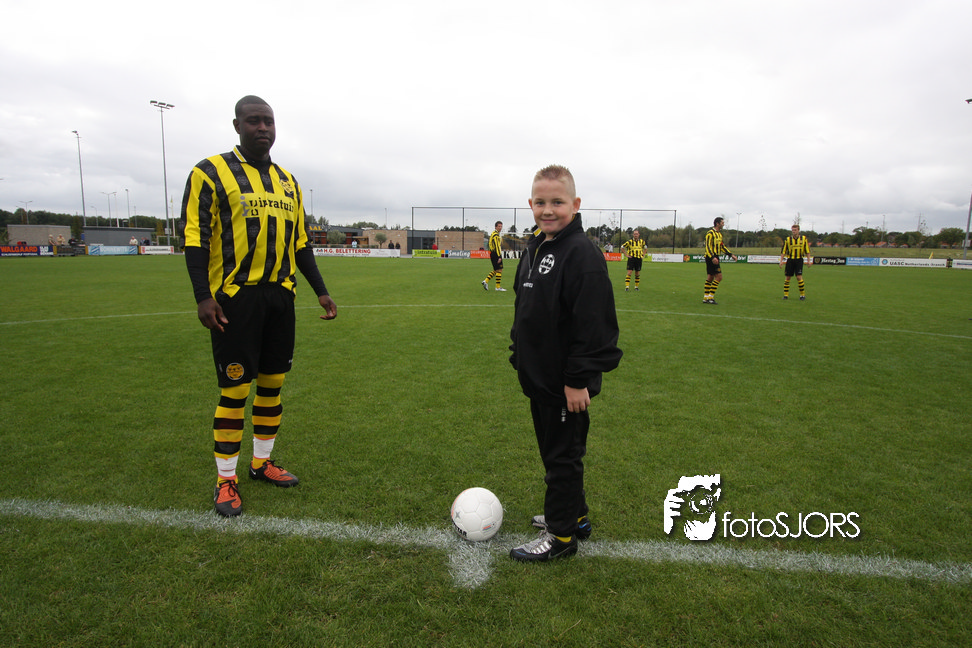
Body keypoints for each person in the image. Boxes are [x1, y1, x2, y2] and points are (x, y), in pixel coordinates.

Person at [180, 95, 337, 518]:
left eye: (268, 121)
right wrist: (202, 296)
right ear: (237, 126)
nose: (263, 127)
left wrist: (320, 291)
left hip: (280, 298)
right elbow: (195, 238)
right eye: (254, 121)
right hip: (235, 299)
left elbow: (300, 244)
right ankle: (225, 479)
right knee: (235, 390)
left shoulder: (288, 182)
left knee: (272, 386)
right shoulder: (210, 172)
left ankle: (261, 463)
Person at [508, 165, 622, 562]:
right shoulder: (535, 247)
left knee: (561, 457)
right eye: (540, 202)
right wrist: (518, 352)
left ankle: (560, 536)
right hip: (539, 377)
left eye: (557, 202)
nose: (548, 210)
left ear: (575, 204)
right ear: (530, 204)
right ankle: (576, 516)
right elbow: (526, 309)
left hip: (563, 384)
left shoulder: (581, 254)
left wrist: (577, 380)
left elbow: (595, 327)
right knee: (555, 453)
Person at [702, 217, 737, 304]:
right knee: (719, 277)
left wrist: (731, 255)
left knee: (710, 277)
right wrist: (712, 257)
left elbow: (722, 247)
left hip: (715, 256)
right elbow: (708, 247)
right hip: (711, 257)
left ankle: (706, 298)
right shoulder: (710, 233)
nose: (723, 224)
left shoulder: (719, 235)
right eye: (722, 223)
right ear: (717, 223)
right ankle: (710, 297)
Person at [779, 224, 812, 300]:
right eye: (792, 230)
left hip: (799, 260)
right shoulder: (788, 239)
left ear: (798, 230)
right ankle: (785, 295)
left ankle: (802, 295)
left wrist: (809, 261)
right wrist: (781, 261)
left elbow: (807, 250)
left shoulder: (803, 239)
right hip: (790, 260)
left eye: (795, 230)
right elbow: (783, 251)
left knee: (799, 277)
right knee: (788, 277)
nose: (793, 231)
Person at [481, 221, 506, 292]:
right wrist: (499, 256)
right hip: (495, 253)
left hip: (493, 253)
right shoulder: (496, 235)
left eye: (501, 226)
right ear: (495, 227)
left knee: (496, 270)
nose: (500, 228)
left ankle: (486, 281)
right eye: (499, 226)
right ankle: (497, 287)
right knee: (499, 270)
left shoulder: (493, 233)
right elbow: (497, 246)